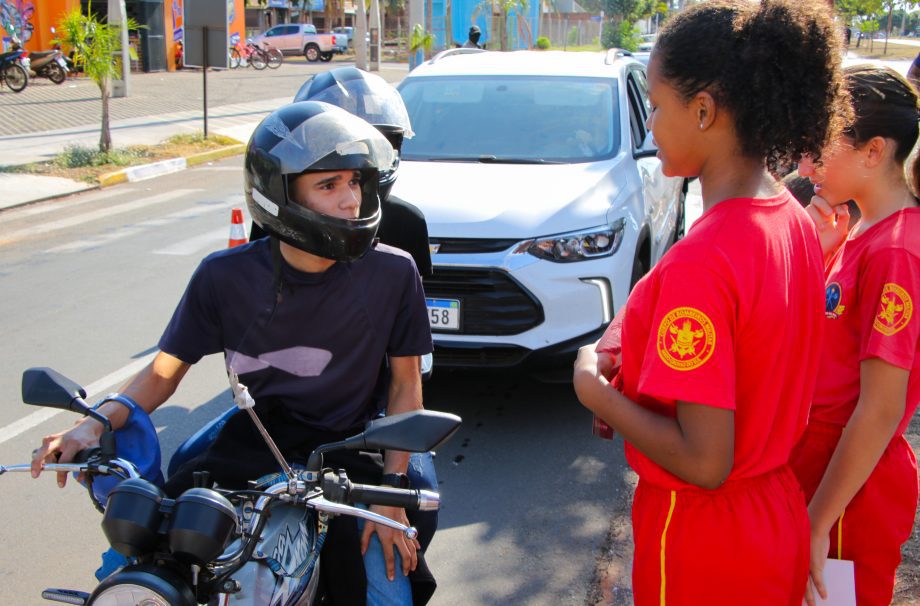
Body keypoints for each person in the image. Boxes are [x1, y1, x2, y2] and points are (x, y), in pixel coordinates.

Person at [30, 102, 436, 606]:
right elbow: (163, 372)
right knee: (143, 561)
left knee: (385, 589)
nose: (351, 200)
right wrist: (95, 424)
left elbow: (404, 385)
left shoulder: (394, 273)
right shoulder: (223, 277)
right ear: (279, 194)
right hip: (259, 439)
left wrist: (391, 491)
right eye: (328, 185)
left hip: (357, 444)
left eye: (354, 181)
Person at [572, 1, 849, 604]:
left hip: (701, 537)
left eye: (657, 105)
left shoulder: (706, 257)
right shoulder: (792, 222)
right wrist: (623, 354)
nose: (650, 127)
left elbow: (704, 461)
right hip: (776, 513)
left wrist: (595, 390)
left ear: (703, 111)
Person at [792, 65, 920, 606]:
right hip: (823, 472)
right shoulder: (861, 227)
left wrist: (818, 522)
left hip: (848, 494)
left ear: (872, 152)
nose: (805, 166)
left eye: (820, 149)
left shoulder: (896, 250)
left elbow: (879, 409)